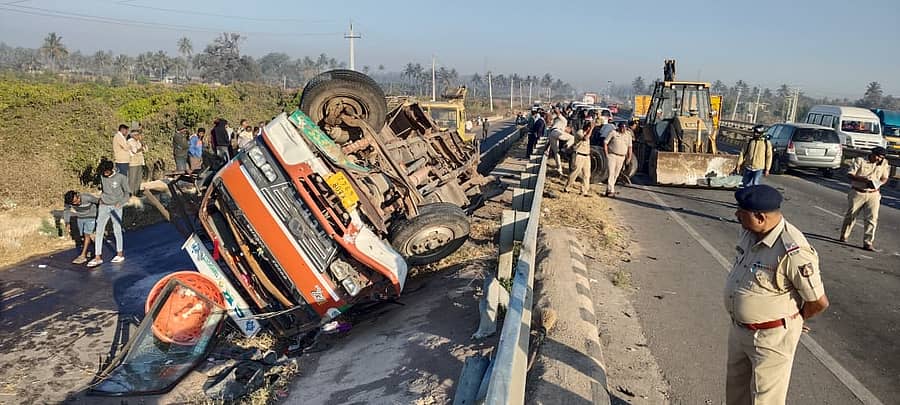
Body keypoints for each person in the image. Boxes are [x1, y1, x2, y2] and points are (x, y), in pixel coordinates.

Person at [725, 185, 829, 405]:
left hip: (770, 338)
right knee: (736, 393)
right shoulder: (749, 232)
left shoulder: (793, 250)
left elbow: (818, 301)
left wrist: (796, 319)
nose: (736, 215)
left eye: (741, 212)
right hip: (739, 330)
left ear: (760, 217)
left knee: (766, 400)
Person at [840, 146, 890, 251]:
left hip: (873, 193)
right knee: (851, 215)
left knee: (872, 219)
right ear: (872, 154)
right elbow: (850, 174)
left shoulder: (883, 163)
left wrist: (879, 183)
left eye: (881, 157)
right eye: (877, 156)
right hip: (858, 191)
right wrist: (863, 180)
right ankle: (844, 235)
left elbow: (884, 177)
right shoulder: (860, 161)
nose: (879, 159)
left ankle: (868, 242)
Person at [87, 160, 130, 268]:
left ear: (111, 170)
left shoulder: (121, 178)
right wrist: (101, 200)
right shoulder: (102, 177)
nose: (104, 174)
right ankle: (97, 257)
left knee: (117, 229)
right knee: (99, 230)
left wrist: (121, 203)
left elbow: (127, 193)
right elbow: (103, 189)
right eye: (103, 172)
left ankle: (119, 253)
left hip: (116, 206)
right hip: (104, 205)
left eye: (106, 172)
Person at [62, 190, 99, 264]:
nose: (77, 203)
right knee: (82, 235)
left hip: (91, 216)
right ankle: (92, 248)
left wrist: (98, 216)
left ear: (77, 195)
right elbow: (67, 210)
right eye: (74, 203)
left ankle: (83, 256)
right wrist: (67, 222)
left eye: (77, 200)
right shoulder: (68, 202)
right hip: (80, 217)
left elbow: (99, 202)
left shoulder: (87, 197)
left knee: (86, 235)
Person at [604, 122, 633, 197]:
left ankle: (609, 189)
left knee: (616, 174)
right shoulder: (613, 133)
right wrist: (606, 153)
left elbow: (630, 147)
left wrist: (629, 157)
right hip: (612, 155)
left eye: (624, 128)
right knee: (611, 172)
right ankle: (611, 190)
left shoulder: (628, 135)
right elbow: (605, 142)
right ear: (619, 127)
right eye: (622, 127)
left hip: (622, 157)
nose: (623, 129)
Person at [563, 123, 592, 196]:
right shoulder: (580, 132)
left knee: (587, 174)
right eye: (589, 128)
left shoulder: (588, 133)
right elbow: (585, 138)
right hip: (579, 154)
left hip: (586, 156)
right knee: (575, 172)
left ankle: (584, 191)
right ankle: (567, 187)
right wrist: (592, 128)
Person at [126, 129, 146, 196]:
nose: (138, 136)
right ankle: (130, 193)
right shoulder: (130, 141)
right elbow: (135, 150)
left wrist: (142, 142)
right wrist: (141, 148)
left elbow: (146, 150)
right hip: (133, 163)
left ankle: (137, 192)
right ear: (133, 135)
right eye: (137, 135)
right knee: (132, 179)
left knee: (138, 178)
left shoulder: (138, 142)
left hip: (139, 162)